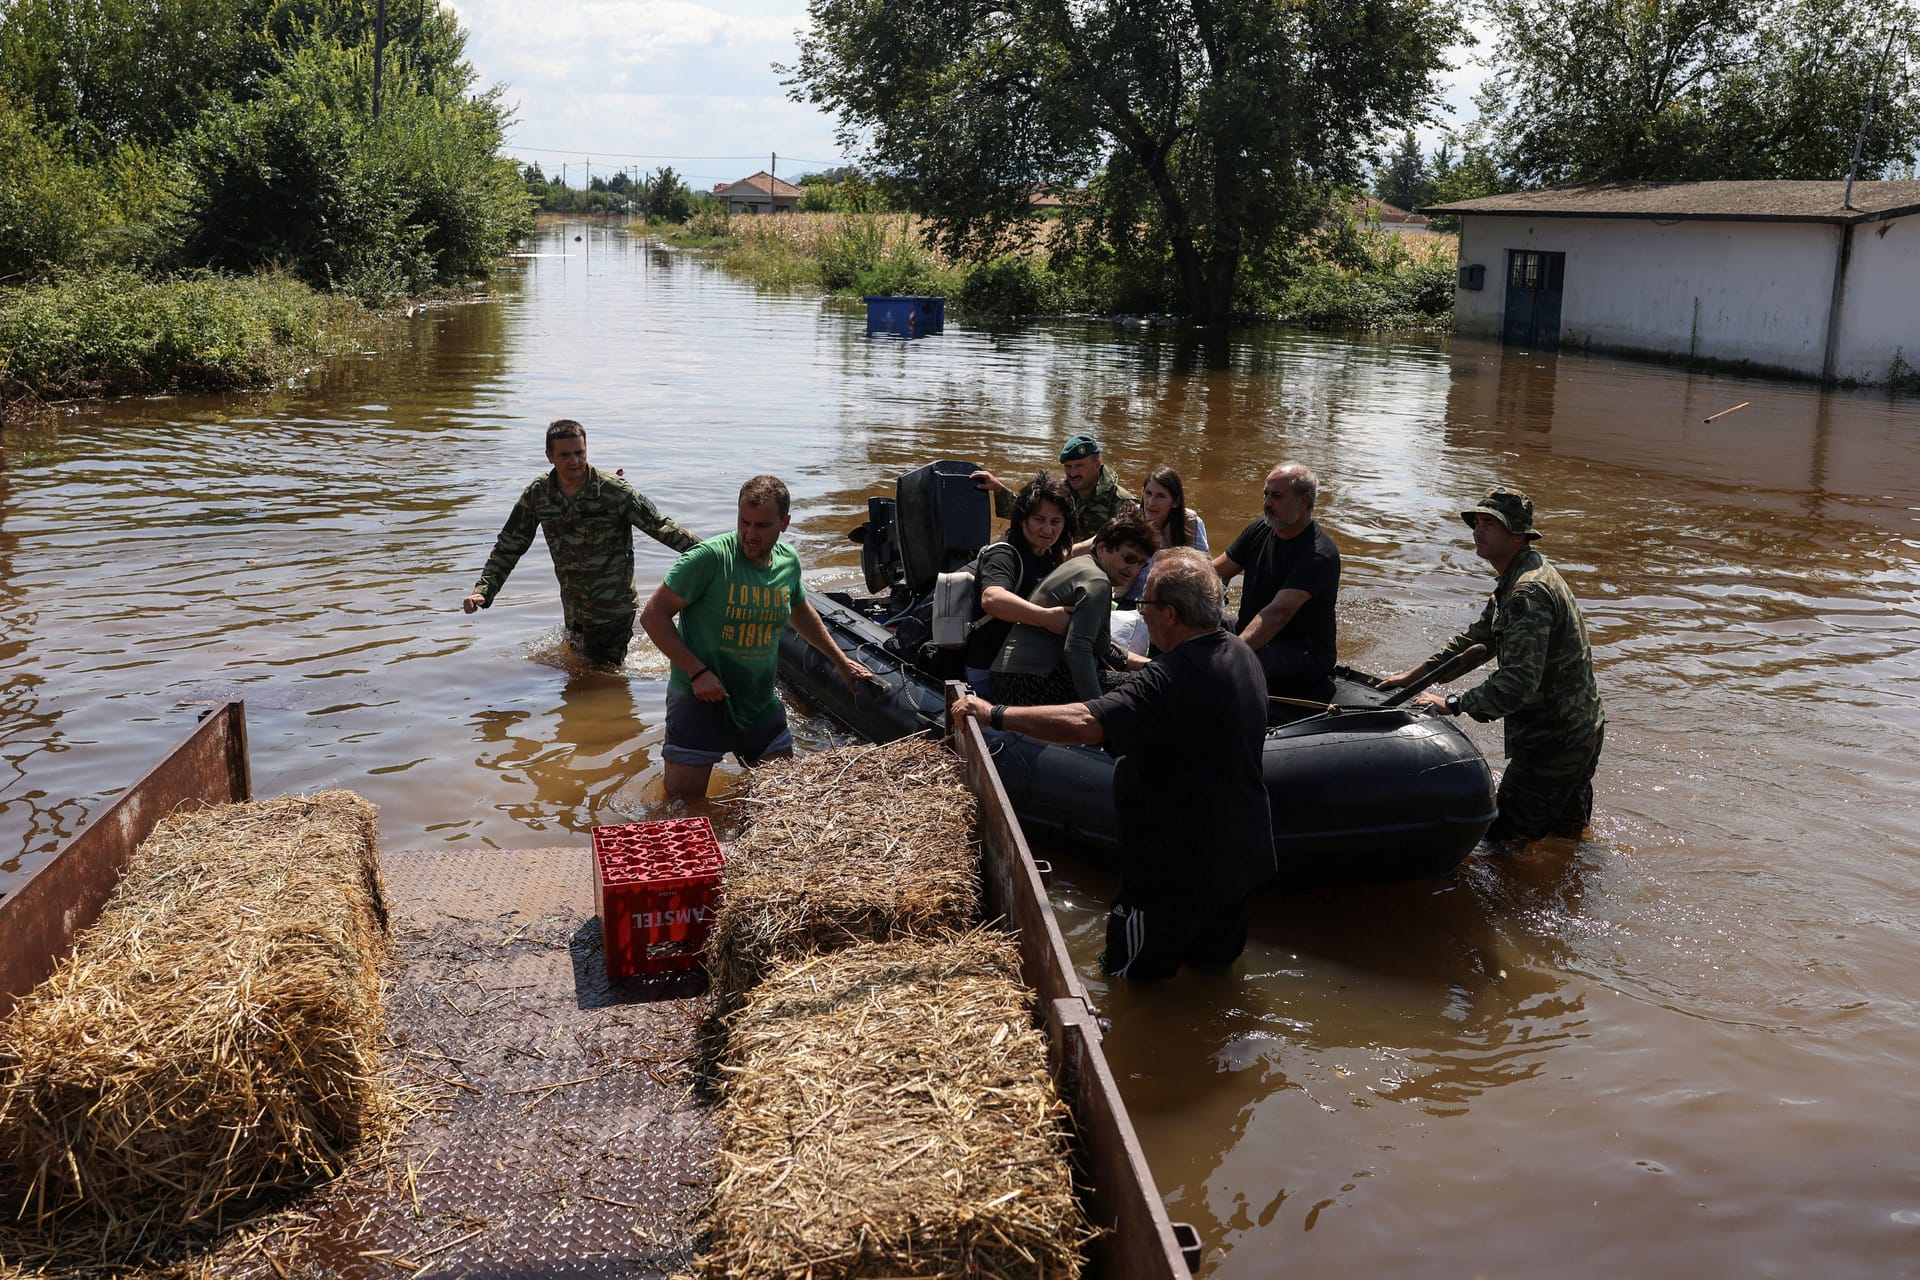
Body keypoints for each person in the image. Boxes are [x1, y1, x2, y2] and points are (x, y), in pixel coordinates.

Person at [955, 547, 1274, 981]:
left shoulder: (1170, 678)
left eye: (1145, 606)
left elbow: (1085, 721)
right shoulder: (1241, 654)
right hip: (1240, 854)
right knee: (1212, 975)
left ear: (1171, 614)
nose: (1142, 616)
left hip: (1173, 869)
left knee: (1132, 982)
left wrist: (995, 713)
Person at [1379, 486, 1605, 844]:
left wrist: (1453, 704)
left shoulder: (1525, 594)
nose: (1478, 531)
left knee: (1503, 844)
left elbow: (1517, 682)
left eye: (1490, 524)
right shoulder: (1521, 576)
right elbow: (1476, 641)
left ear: (1517, 534)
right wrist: (1415, 676)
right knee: (1565, 839)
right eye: (1476, 523)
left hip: (1553, 739)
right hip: (1580, 728)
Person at [639, 475, 874, 802]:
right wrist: (697, 672)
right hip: (700, 698)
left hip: (758, 700)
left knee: (779, 800)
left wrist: (841, 661)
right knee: (682, 804)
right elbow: (653, 615)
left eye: (762, 526)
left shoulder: (788, 562)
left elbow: (800, 611)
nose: (750, 535)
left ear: (785, 523)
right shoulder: (708, 559)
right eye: (743, 522)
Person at [463, 419, 699, 665]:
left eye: (579, 453)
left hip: (613, 610)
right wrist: (484, 590)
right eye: (565, 455)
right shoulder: (539, 494)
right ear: (549, 456)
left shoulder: (615, 491)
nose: (574, 461)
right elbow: (509, 546)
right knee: (580, 679)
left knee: (596, 677)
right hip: (574, 611)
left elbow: (663, 528)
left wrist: (720, 554)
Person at [990, 513, 1157, 705]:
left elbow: (1102, 647)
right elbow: (1078, 651)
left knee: (1140, 678)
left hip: (1006, 680)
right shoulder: (1098, 582)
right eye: (1129, 558)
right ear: (1102, 548)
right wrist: (1096, 712)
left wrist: (1151, 667)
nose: (1133, 569)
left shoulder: (1081, 565)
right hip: (1029, 684)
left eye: (1141, 563)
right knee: (1142, 688)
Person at [1213, 461, 1340, 703]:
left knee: (1242, 669)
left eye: (1277, 496)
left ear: (1304, 500)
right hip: (1256, 632)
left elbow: (1277, 615)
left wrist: (1231, 655)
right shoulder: (1259, 530)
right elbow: (1216, 570)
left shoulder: (1318, 554)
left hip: (1301, 651)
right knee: (1191, 622)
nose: (1267, 503)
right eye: (1266, 494)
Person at [962, 472, 1076, 699]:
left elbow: (1073, 553)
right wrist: (1046, 618)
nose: (1048, 530)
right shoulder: (1004, 554)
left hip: (1025, 662)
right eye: (1039, 520)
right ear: (1022, 519)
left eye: (1056, 522)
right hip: (988, 668)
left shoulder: (1048, 554)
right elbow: (992, 599)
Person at [972, 433, 1133, 542]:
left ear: (1097, 465)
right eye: (1068, 467)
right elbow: (1029, 512)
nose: (1073, 473)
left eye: (1079, 466)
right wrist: (999, 489)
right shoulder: (1063, 491)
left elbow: (1127, 548)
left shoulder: (1122, 502)